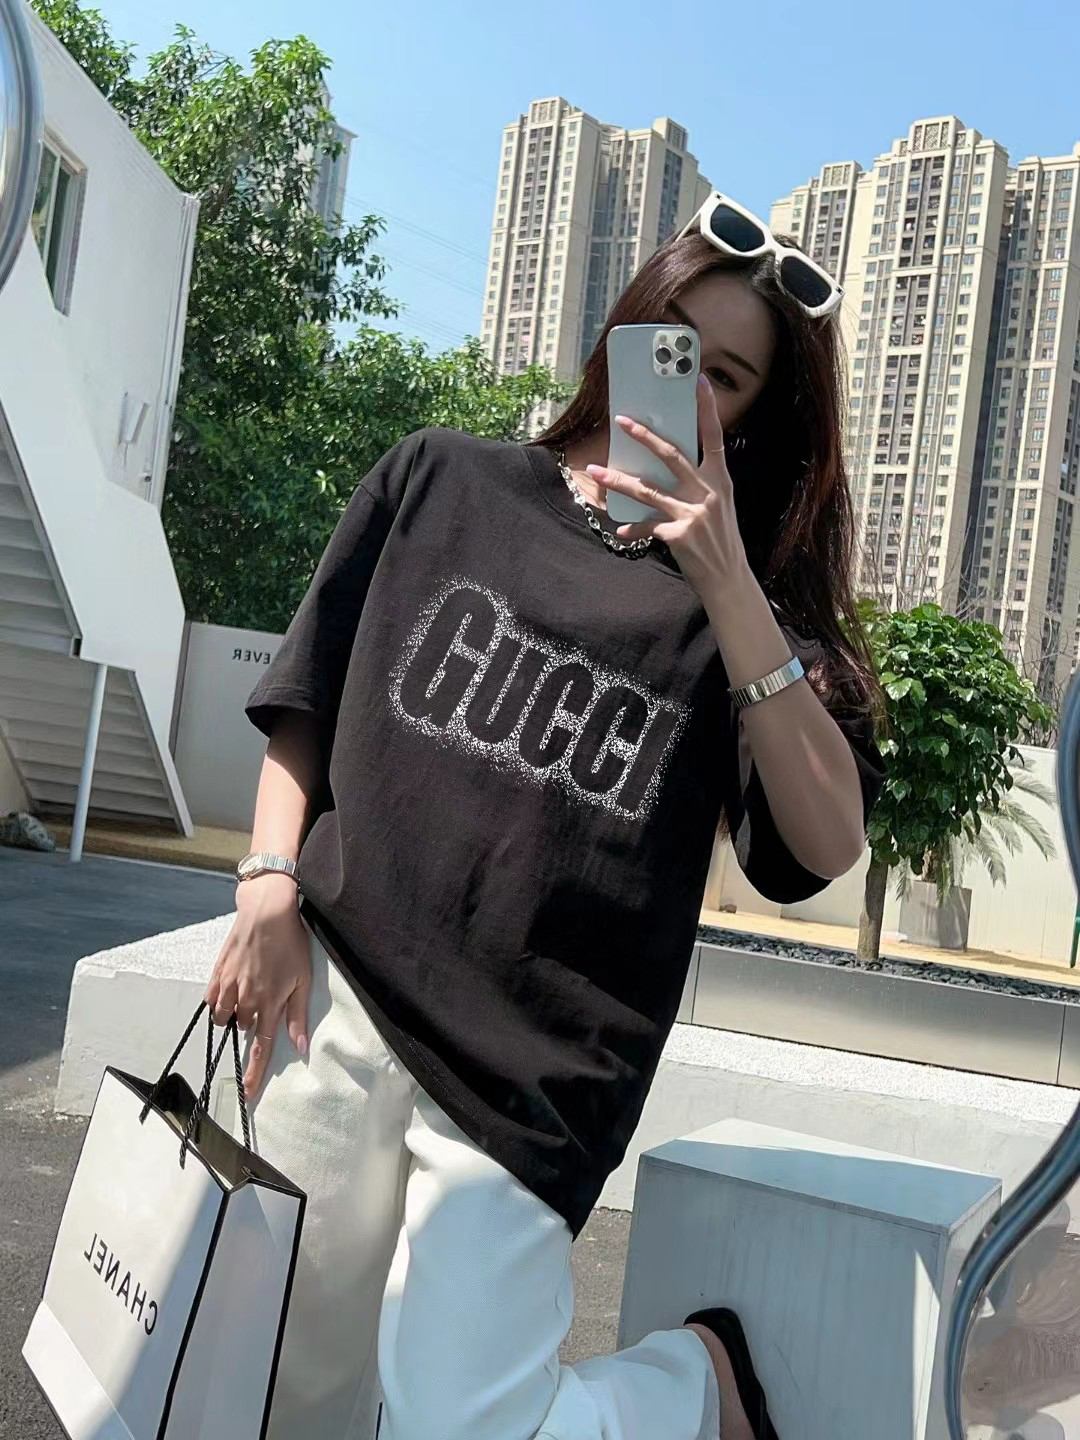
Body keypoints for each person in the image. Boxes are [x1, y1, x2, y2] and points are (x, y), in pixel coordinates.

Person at [206, 190, 886, 1440]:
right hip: (338, 995)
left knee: (468, 1423)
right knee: (270, 1384)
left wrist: (727, 578)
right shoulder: (445, 478)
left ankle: (695, 1388)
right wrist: (265, 883)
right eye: (674, 343)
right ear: (626, 328)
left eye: (726, 377)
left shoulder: (748, 621)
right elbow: (307, 696)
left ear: (756, 417)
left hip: (535, 1075)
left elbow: (826, 844)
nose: (687, 388)